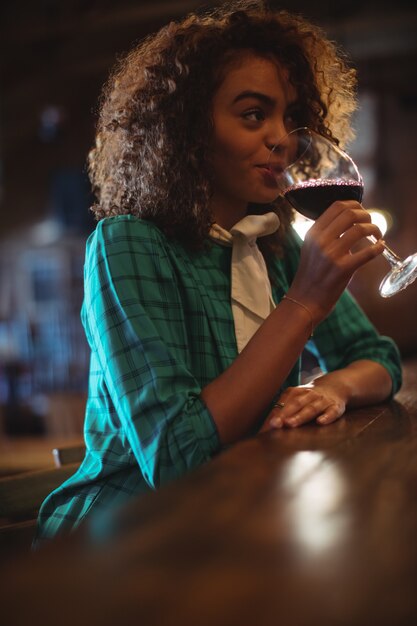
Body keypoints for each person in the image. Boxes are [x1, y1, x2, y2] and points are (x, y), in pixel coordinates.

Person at [35, 0, 402, 543]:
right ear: (186, 130)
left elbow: (380, 360)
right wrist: (303, 305)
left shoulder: (275, 246)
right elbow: (178, 458)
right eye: (254, 115)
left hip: (244, 508)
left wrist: (334, 389)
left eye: (292, 118)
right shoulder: (129, 244)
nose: (281, 137)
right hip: (126, 532)